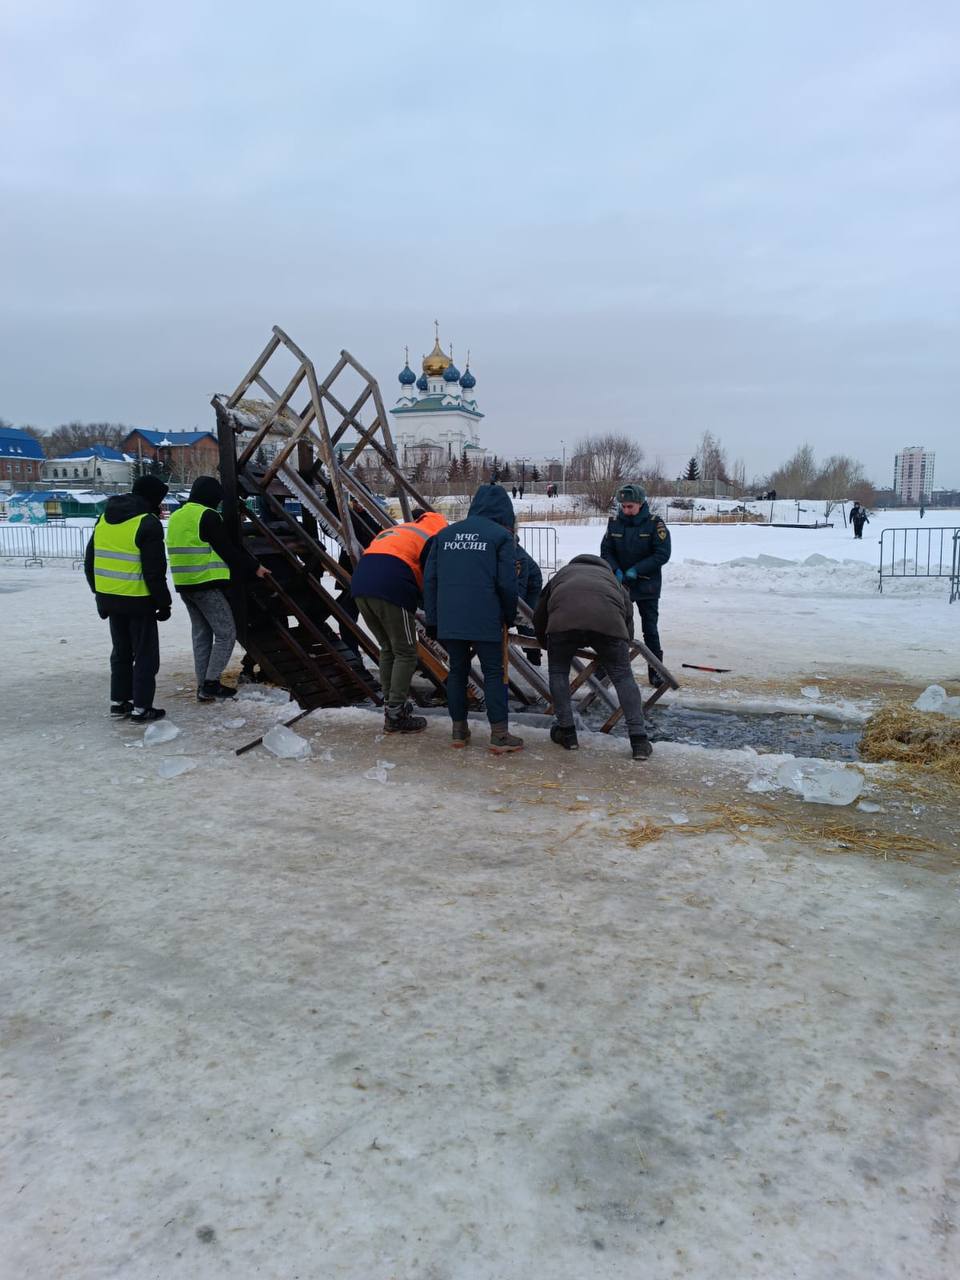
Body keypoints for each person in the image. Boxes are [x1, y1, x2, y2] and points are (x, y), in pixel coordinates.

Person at [424, 484, 522, 753]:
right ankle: (499, 735)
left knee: (457, 671)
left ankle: (458, 731)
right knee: (493, 673)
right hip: (486, 617)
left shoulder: (444, 536)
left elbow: (430, 581)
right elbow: (507, 584)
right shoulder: (501, 537)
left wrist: (433, 619)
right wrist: (508, 615)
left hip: (450, 618)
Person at [534, 555, 653, 760]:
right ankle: (639, 740)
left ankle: (567, 732)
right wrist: (623, 644)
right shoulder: (612, 580)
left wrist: (546, 642)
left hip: (562, 626)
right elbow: (627, 614)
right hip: (609, 627)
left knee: (558, 672)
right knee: (623, 677)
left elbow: (540, 612)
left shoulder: (562, 575)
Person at [166, 475, 271, 701]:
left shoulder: (177, 516)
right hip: (206, 583)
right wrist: (255, 567)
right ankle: (212, 683)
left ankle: (202, 686)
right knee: (226, 633)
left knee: (201, 635)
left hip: (184, 585)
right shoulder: (208, 516)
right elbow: (228, 550)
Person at [350, 508, 448, 733]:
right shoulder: (433, 538)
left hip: (361, 586)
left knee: (388, 648)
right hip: (392, 587)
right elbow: (431, 577)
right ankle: (395, 715)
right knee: (406, 652)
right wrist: (432, 611)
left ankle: (392, 705)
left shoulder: (400, 530)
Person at [84, 474, 172, 722]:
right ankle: (142, 707)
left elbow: (89, 563)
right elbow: (154, 571)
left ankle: (119, 702)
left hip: (110, 599)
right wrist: (163, 603)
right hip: (138, 600)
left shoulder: (104, 518)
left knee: (121, 652)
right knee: (145, 655)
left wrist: (99, 593)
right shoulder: (147, 523)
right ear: (153, 498)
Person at [600, 483, 671, 686]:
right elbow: (606, 551)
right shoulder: (614, 523)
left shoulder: (654, 524)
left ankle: (656, 671)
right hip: (621, 584)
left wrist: (637, 570)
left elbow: (662, 554)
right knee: (613, 628)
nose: (626, 510)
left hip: (647, 586)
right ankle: (606, 668)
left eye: (630, 506)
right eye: (623, 506)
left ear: (641, 504)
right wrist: (615, 570)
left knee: (650, 629)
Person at [514, 540, 543, 666]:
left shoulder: (516, 554)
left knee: (526, 619)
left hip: (531, 584)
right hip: (518, 582)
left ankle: (534, 659)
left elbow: (518, 592)